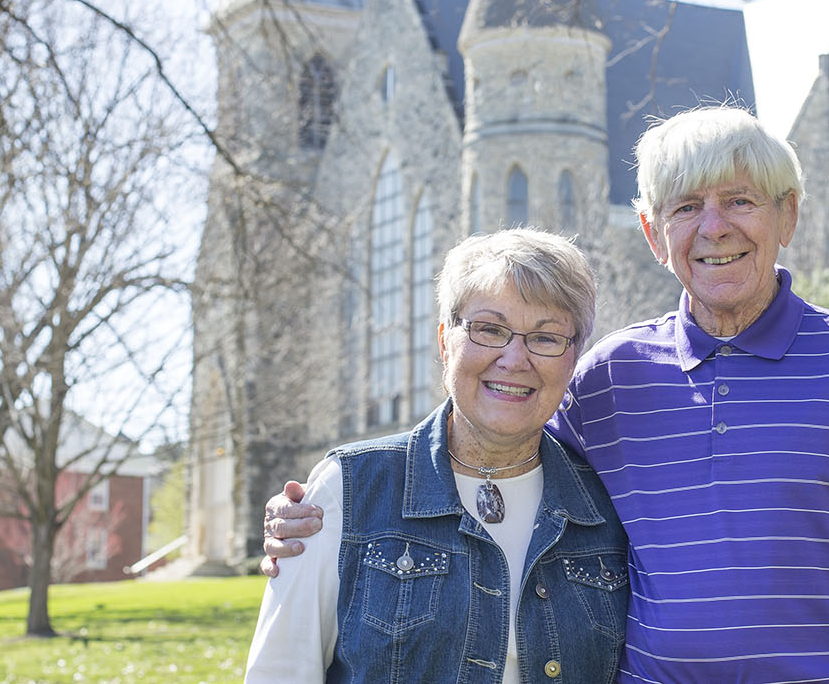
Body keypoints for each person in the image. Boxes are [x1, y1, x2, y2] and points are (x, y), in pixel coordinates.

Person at [261, 106, 829, 682]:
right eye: (685, 206)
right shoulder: (606, 379)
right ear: (651, 231)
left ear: (787, 216)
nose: (714, 227)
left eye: (740, 199)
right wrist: (316, 518)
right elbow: (503, 448)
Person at [245, 229, 630, 683]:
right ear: (446, 340)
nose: (514, 358)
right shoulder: (349, 489)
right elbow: (281, 671)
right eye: (490, 329)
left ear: (573, 359)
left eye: (546, 338)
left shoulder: (606, 505)